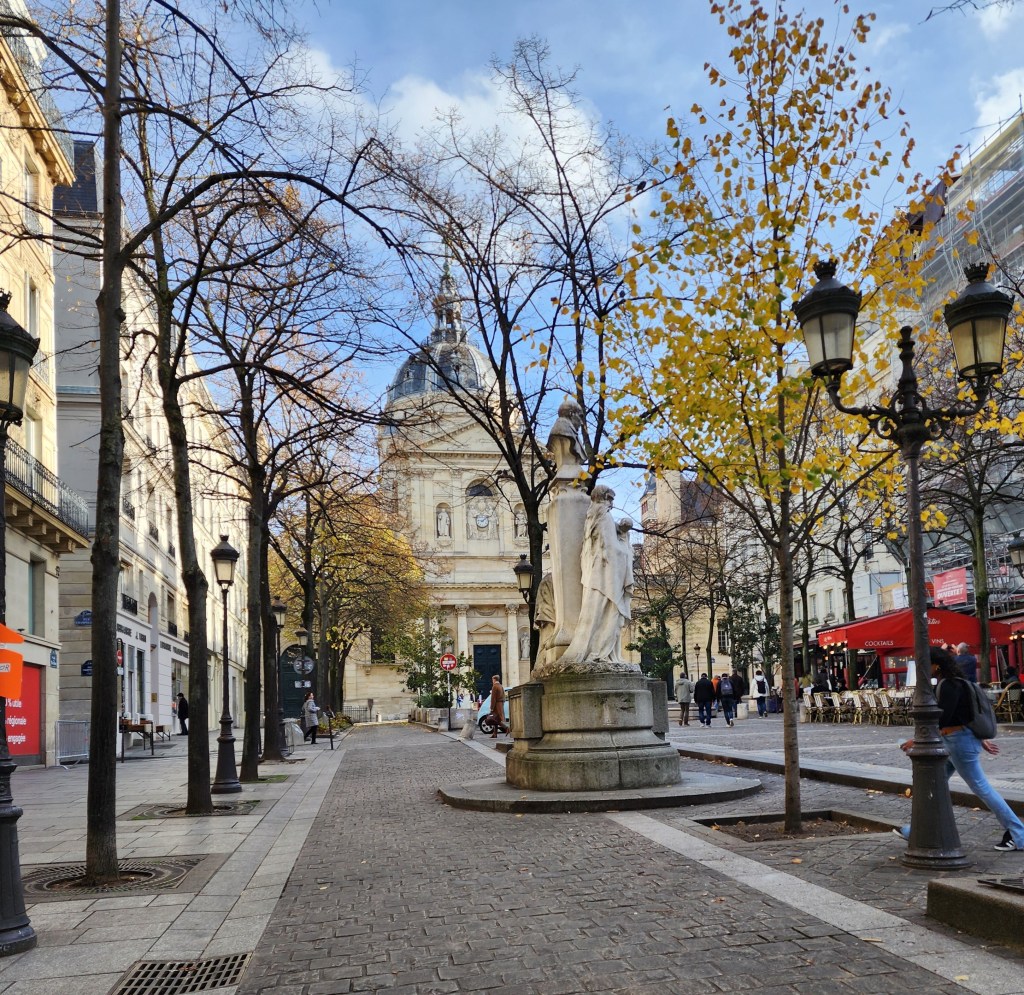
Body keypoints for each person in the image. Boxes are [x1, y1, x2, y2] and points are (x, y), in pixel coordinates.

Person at [895, 646, 1024, 852]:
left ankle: (1019, 833)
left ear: (936, 665)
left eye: (925, 664)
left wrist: (917, 740)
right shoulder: (955, 682)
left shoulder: (948, 685)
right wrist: (978, 739)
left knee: (980, 787)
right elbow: (964, 715)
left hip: (957, 742)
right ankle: (917, 830)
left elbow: (944, 718)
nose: (922, 668)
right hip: (956, 741)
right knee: (933, 786)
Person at [561, 487, 633, 666]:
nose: (612, 504)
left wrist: (620, 530)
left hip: (595, 575)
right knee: (609, 615)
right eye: (611, 499)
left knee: (594, 614)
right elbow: (612, 548)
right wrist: (624, 541)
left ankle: (597, 649)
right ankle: (602, 651)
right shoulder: (604, 517)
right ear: (604, 498)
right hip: (606, 579)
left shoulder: (592, 517)